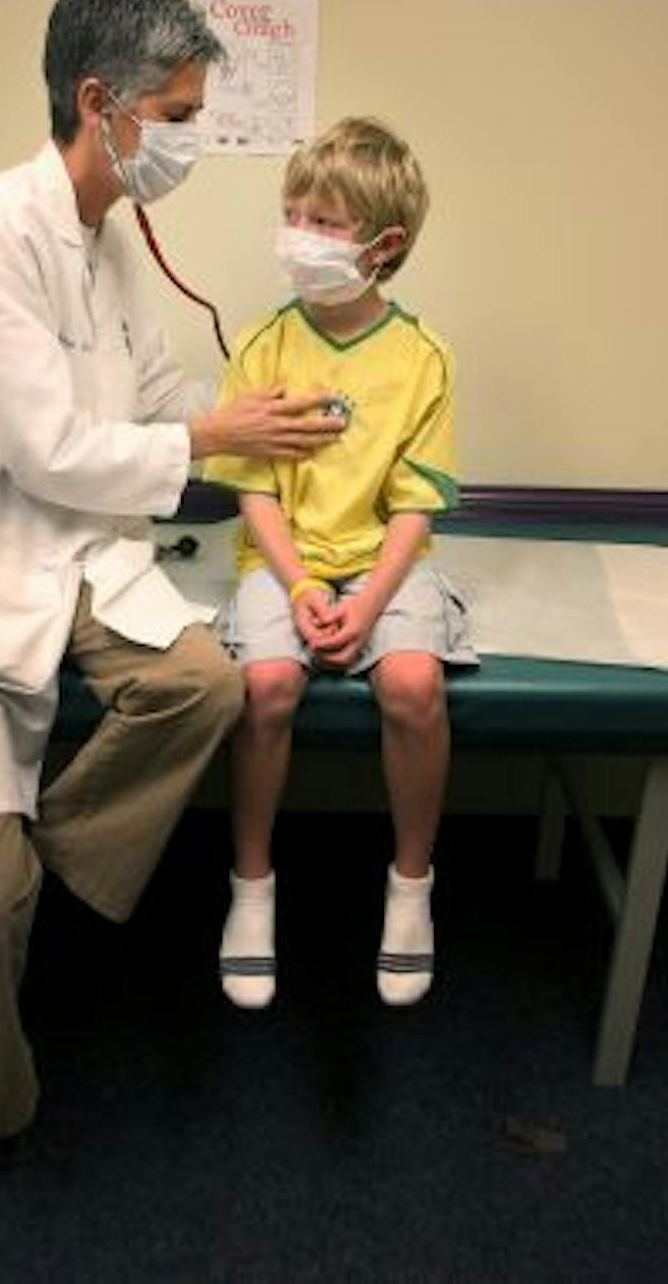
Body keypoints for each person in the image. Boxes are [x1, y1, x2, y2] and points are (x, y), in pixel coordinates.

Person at [0, 0, 345, 1166]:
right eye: (180, 119)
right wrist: (216, 437)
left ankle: (37, 859)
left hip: (69, 556)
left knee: (204, 684)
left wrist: (258, 413)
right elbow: (49, 449)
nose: (192, 144)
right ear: (100, 101)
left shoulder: (112, 241)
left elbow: (155, 401)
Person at [201, 117, 473, 1012]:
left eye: (324, 222)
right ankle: (251, 887)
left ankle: (411, 887)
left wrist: (369, 601)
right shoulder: (264, 345)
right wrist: (306, 585)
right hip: (286, 559)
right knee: (268, 686)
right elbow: (255, 492)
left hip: (384, 562)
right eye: (292, 213)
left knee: (411, 686)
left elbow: (415, 506)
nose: (298, 236)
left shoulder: (422, 358)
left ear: (384, 245)